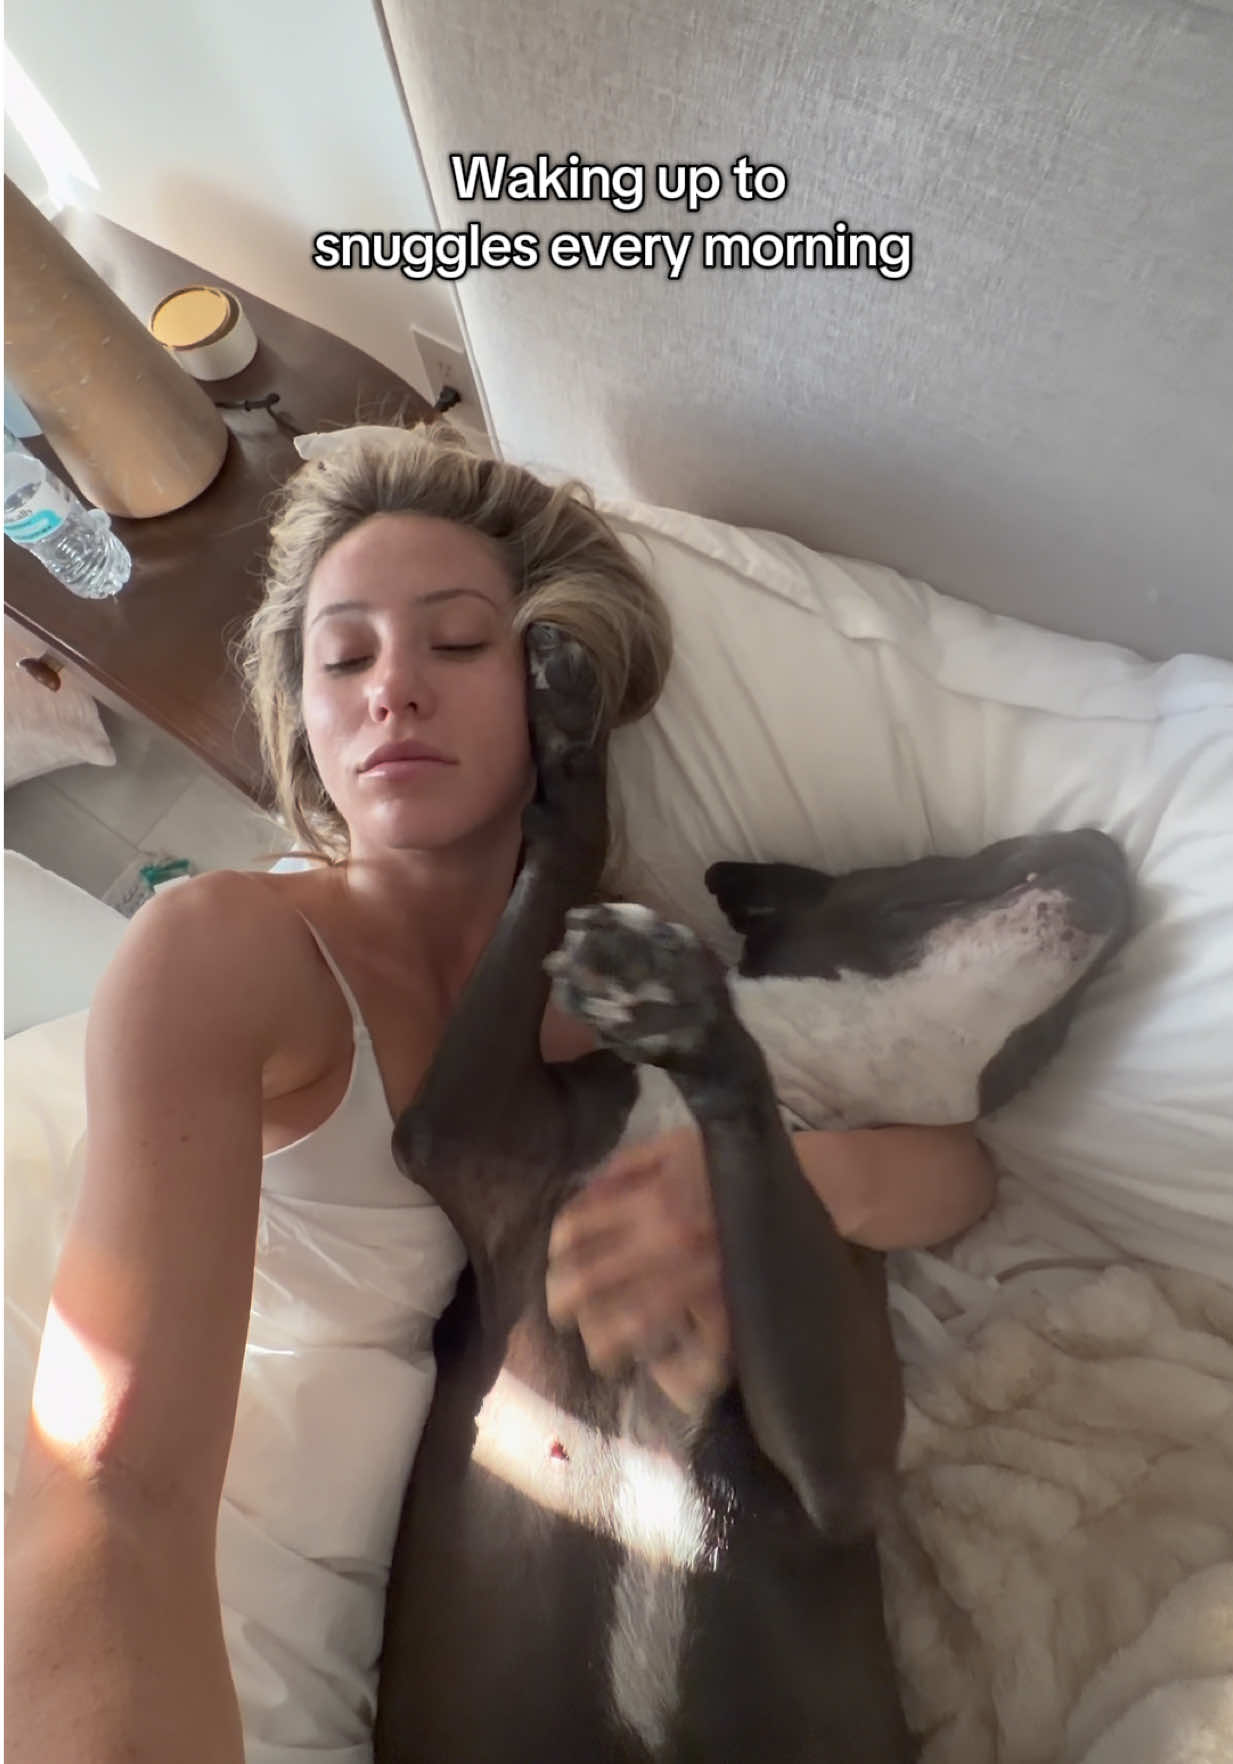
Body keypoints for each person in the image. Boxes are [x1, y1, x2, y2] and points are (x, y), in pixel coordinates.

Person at [5, 424, 995, 1761]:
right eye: (343, 658)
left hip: (444, 1627)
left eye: (458, 642)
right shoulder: (228, 950)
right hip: (203, 1611)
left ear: (550, 678)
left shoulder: (639, 976)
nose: (392, 689)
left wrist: (771, 1182)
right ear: (303, 719)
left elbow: (956, 1171)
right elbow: (112, 1481)